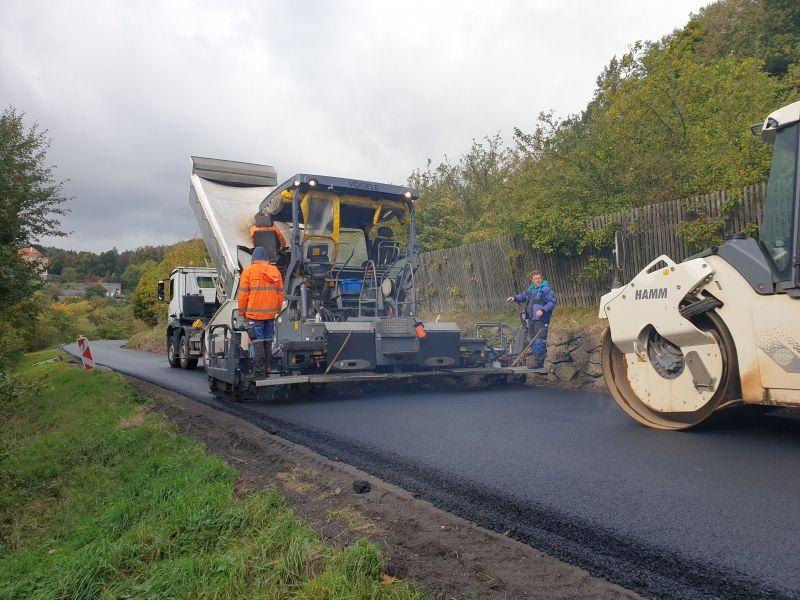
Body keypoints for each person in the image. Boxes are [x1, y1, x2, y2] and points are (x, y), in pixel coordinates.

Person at [238, 246, 284, 378]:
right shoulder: (275, 271)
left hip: (255, 316)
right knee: (267, 343)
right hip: (270, 315)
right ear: (266, 258)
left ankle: (259, 373)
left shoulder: (249, 271)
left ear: (254, 258)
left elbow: (243, 295)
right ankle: (268, 367)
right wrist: (278, 310)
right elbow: (280, 294)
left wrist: (242, 313)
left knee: (258, 343)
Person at [506, 269, 557, 368]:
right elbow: (523, 296)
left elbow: (552, 302)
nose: (538, 280)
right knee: (533, 341)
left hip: (541, 320)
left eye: (539, 278)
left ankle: (538, 363)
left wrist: (543, 310)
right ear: (532, 279)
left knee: (539, 341)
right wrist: (515, 298)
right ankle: (536, 360)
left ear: (541, 278)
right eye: (535, 279)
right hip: (531, 320)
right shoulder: (531, 289)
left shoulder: (546, 290)